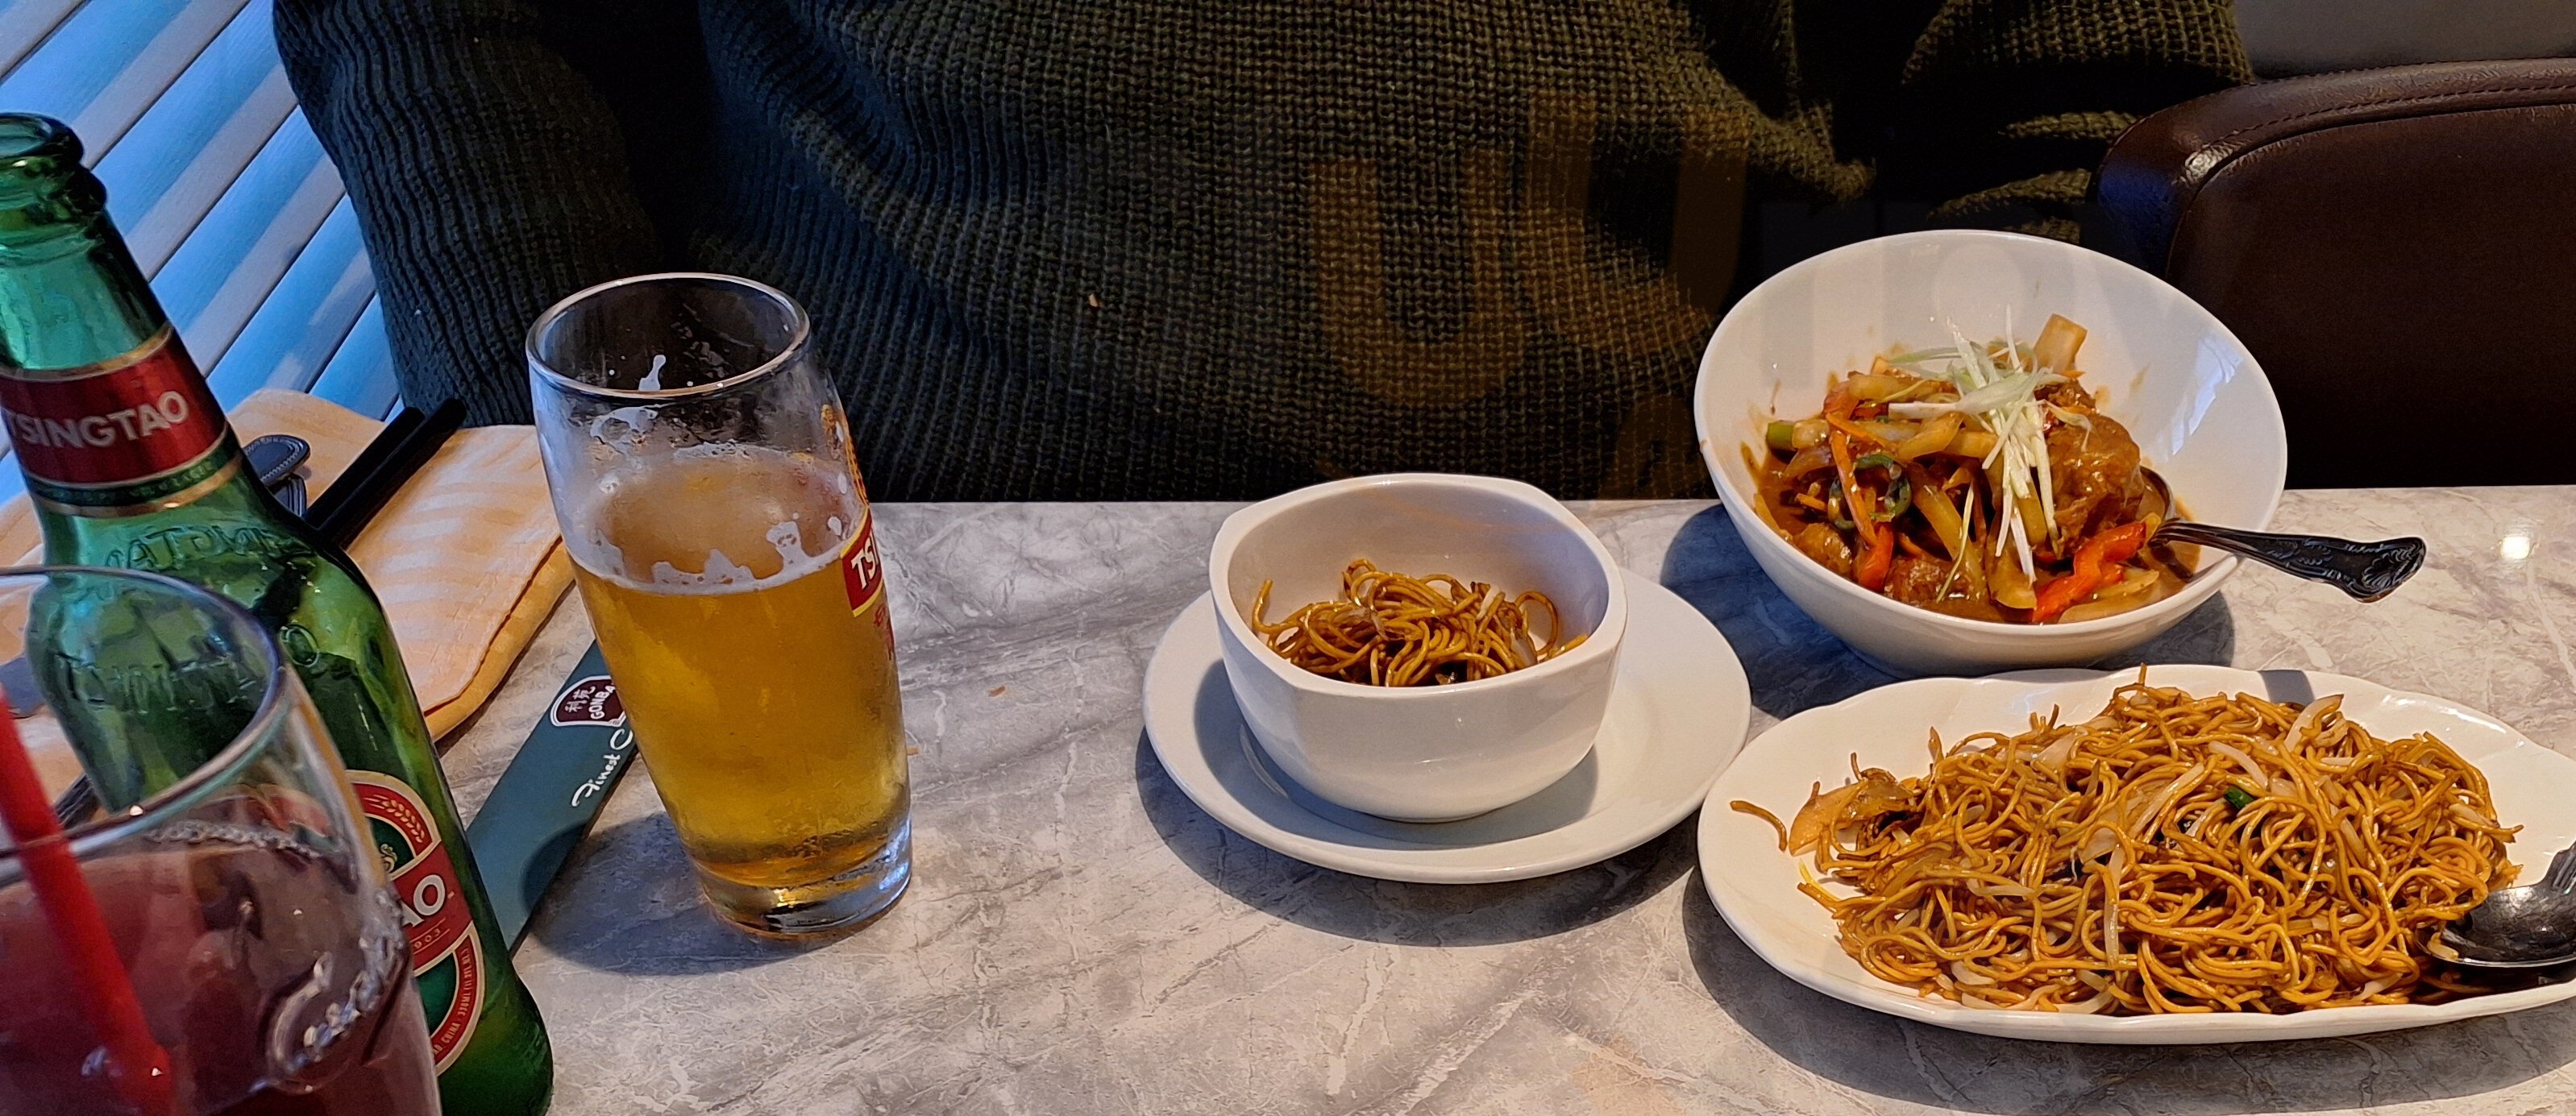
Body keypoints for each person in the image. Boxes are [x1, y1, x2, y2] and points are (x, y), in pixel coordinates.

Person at [272, 0, 2250, 503]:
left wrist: (1916, 526)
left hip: (1706, 578)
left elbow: (2071, 101)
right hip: (889, 595)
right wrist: (605, 457)